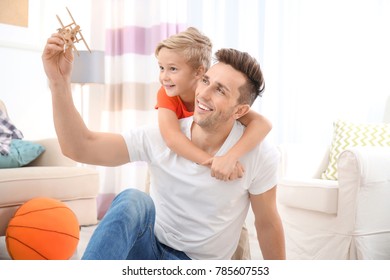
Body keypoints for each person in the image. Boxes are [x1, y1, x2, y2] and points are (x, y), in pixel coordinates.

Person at [42, 33, 285, 259]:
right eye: (206, 81)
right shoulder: (161, 133)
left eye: (220, 90)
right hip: (148, 250)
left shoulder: (259, 154)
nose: (203, 94)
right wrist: (58, 82)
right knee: (133, 200)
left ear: (240, 110)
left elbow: (267, 224)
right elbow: (80, 147)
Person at [155, 27, 272, 181]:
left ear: (198, 72)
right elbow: (172, 138)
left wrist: (230, 157)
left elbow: (263, 123)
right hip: (170, 166)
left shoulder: (216, 99)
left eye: (173, 69)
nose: (164, 77)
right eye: (161, 68)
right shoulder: (166, 93)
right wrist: (214, 162)